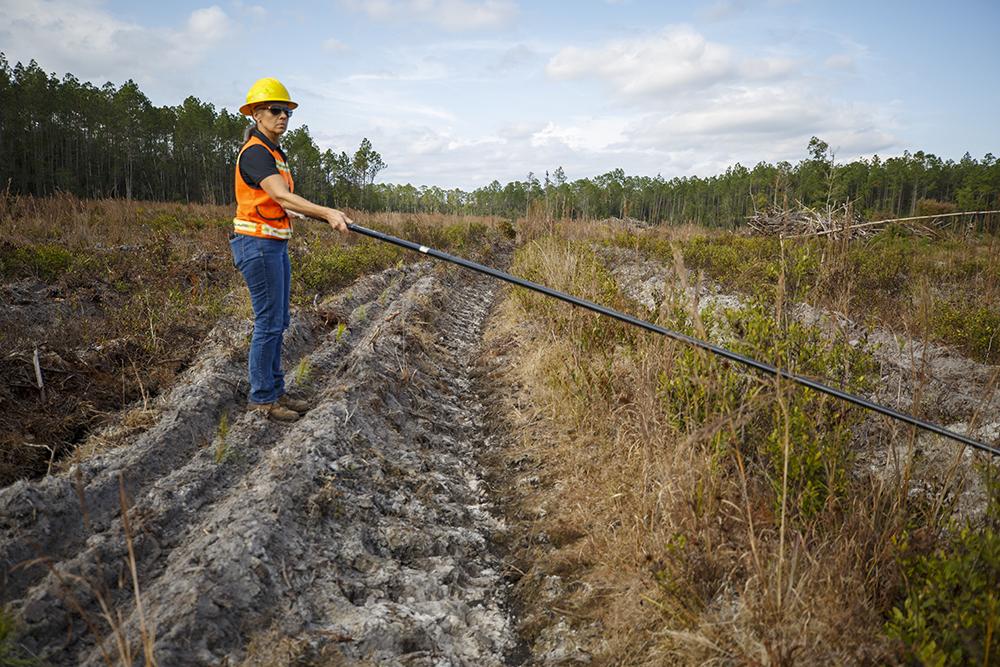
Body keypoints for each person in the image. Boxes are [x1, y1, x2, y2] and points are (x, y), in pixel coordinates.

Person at [231, 77, 352, 422]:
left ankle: (276, 391)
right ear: (256, 114)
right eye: (275, 110)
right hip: (257, 244)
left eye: (287, 111)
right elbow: (282, 195)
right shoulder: (255, 153)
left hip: (273, 244)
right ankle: (263, 399)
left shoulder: (274, 153)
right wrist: (326, 212)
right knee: (268, 323)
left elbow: (282, 202)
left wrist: (320, 214)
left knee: (279, 320)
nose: (282, 116)